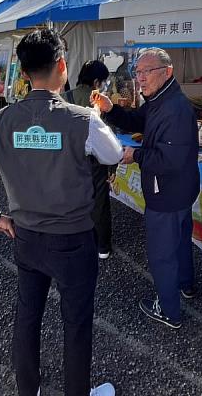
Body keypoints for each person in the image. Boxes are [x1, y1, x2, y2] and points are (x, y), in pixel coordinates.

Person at [0, 29, 122, 396]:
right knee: (76, 323)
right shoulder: (82, 118)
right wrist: (96, 115)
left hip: (25, 237)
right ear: (62, 65)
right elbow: (111, 155)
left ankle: (29, 389)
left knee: (27, 315)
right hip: (74, 240)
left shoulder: (0, 121)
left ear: (24, 72)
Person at [93, 48, 199, 330]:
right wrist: (110, 109)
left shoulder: (175, 108)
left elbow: (169, 160)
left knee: (163, 252)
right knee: (179, 241)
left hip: (168, 190)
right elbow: (138, 120)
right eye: (137, 72)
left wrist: (135, 155)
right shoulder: (159, 99)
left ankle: (169, 310)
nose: (140, 78)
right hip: (179, 190)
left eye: (146, 71)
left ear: (167, 72)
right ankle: (186, 286)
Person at [65, 60, 114, 259]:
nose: (103, 86)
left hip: (69, 160)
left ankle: (78, 242)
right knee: (99, 203)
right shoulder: (97, 101)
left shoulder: (65, 97)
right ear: (96, 81)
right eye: (102, 82)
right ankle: (102, 246)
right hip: (95, 160)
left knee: (74, 201)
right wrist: (112, 166)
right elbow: (107, 136)